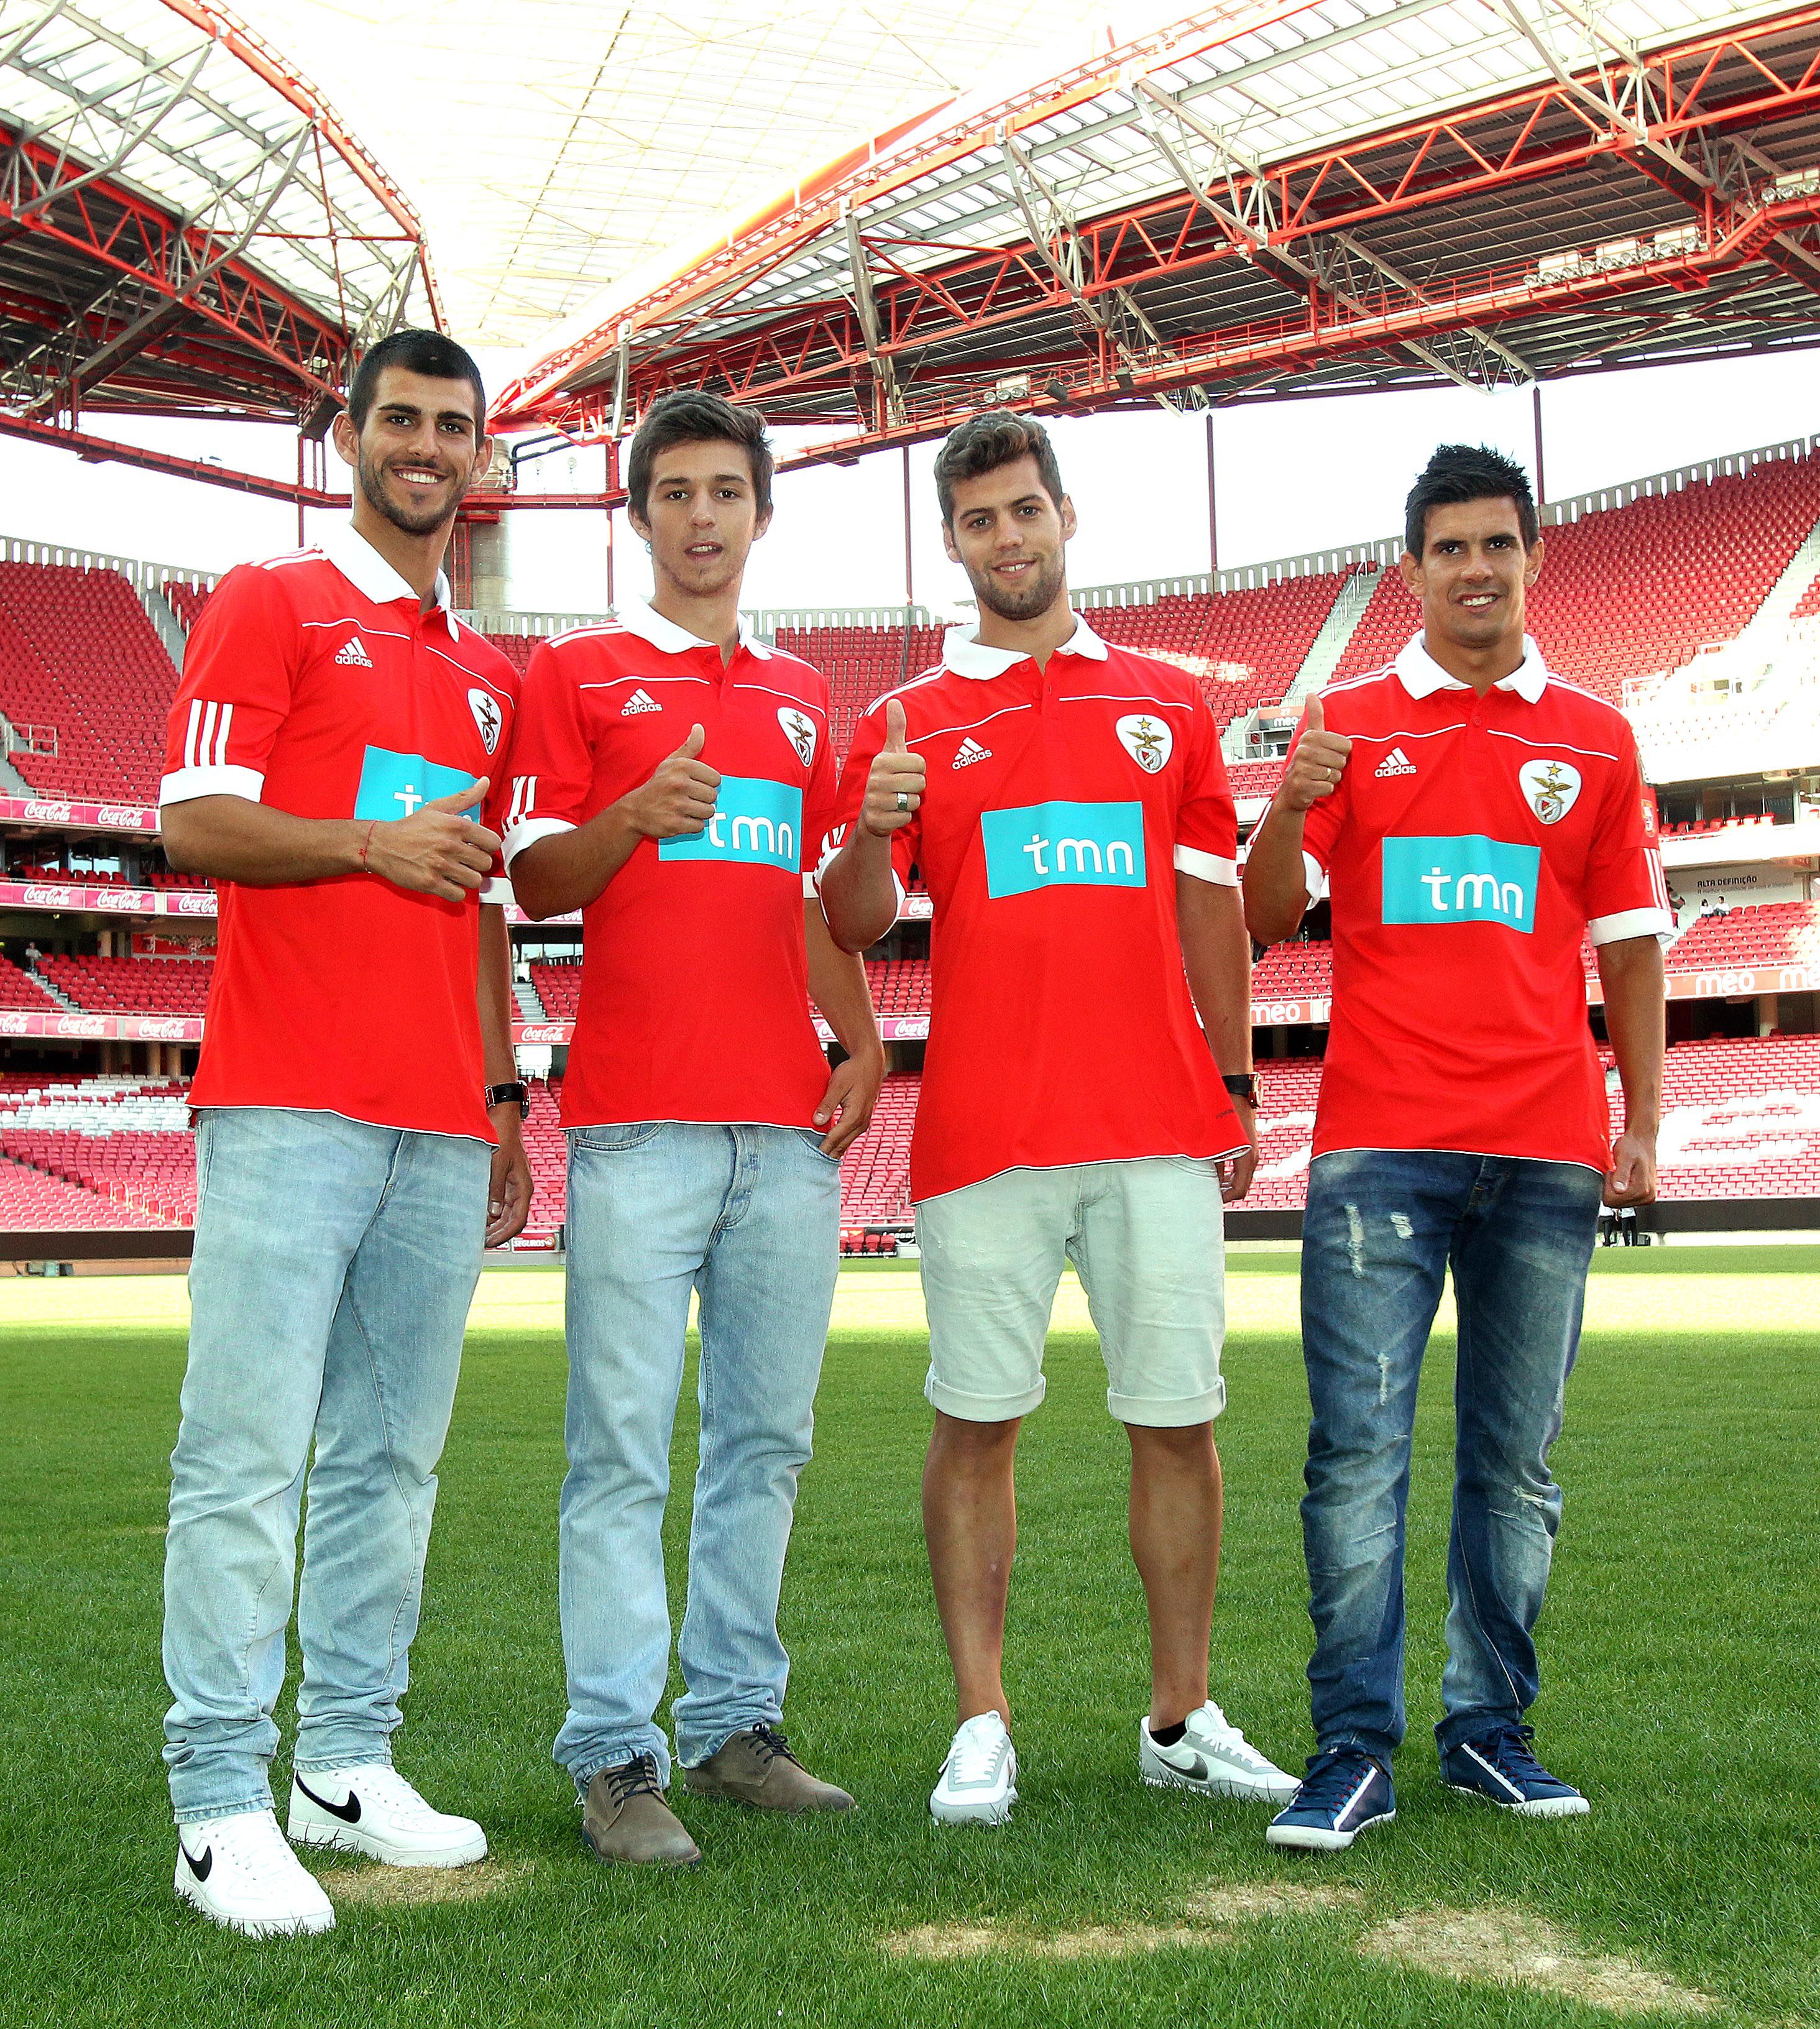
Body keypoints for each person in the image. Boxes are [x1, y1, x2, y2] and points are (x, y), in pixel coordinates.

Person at [820, 409, 1295, 1826]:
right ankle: (982, 1722)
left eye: (1026, 510)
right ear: (952, 543)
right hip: (986, 1134)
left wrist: (1236, 1082)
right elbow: (853, 920)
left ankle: (1181, 1716)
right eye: (979, 521)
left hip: (1156, 1122)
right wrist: (870, 825)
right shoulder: (906, 720)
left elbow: (1210, 906)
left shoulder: (1166, 704)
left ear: (1066, 516)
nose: (1008, 538)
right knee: (977, 1425)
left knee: (1178, 1421)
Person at [157, 329, 531, 1936]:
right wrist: (370, 845)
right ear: (352, 437)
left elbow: (486, 902)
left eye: (453, 426)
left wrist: (504, 1099)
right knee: (245, 1458)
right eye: (401, 420)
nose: (426, 447)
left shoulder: (492, 677)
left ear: (481, 456)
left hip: (440, 1122)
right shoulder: (274, 600)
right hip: (287, 1102)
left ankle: (346, 1764)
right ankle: (217, 1802)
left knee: (393, 1463)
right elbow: (192, 816)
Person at [1243, 443, 1669, 1852]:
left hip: (1547, 1146)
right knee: (1356, 1457)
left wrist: (1644, 1117)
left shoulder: (1597, 738)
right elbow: (1261, 914)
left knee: (1517, 1463)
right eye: (1450, 548)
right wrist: (1292, 800)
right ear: (1412, 568)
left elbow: (1631, 943)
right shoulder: (1350, 724)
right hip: (1381, 1145)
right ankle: (1350, 1751)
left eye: (1498, 544)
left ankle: (1491, 1732)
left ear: (1533, 556)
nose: (1476, 569)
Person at [505, 392, 882, 1867]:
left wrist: (862, 1035)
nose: (703, 515)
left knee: (765, 1443)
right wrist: (632, 817)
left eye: (727, 490)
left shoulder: (800, 695)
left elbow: (814, 906)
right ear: (641, 515)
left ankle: (734, 1729)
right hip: (637, 1125)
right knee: (621, 1453)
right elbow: (535, 878)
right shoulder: (577, 671)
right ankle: (614, 1755)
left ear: (760, 513)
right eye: (675, 492)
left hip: (785, 1130)